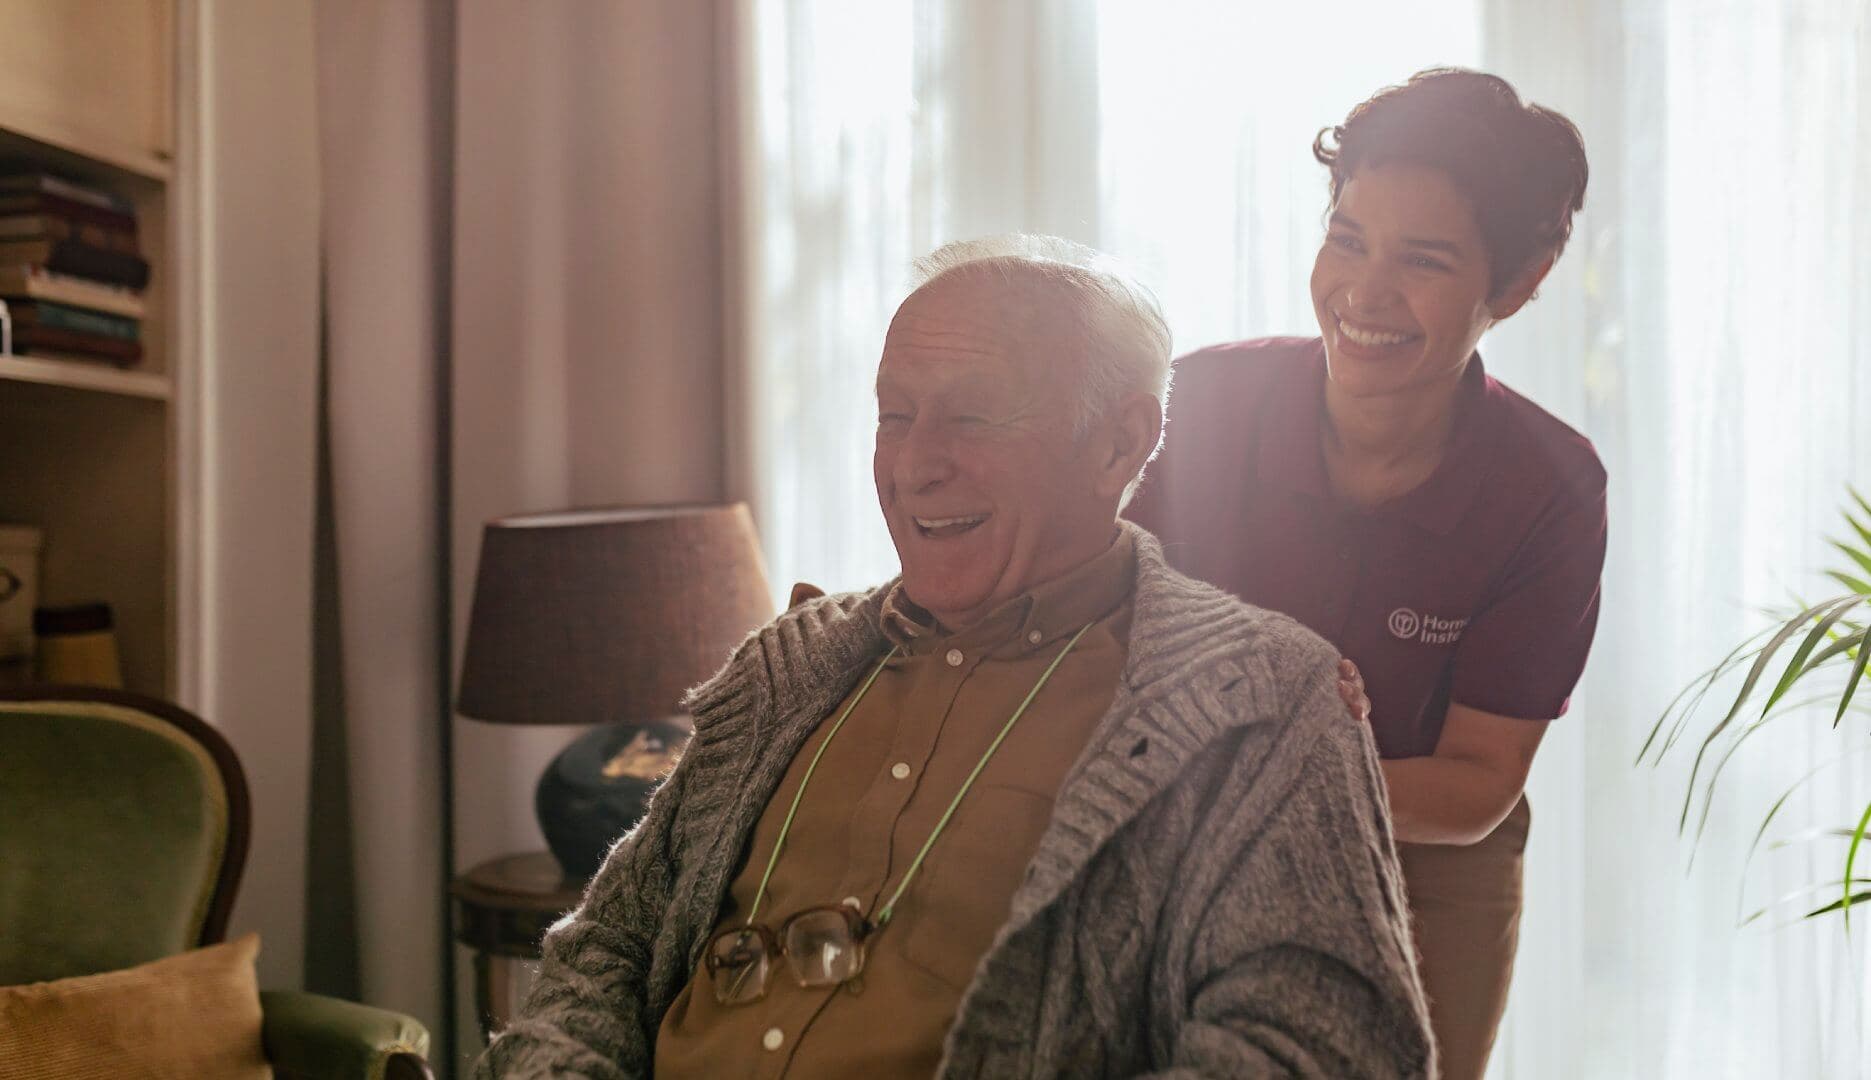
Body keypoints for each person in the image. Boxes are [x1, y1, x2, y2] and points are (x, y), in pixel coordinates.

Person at [476, 234, 1434, 1078]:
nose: (914, 463)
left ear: (1119, 444)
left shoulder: (1260, 700)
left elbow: (1325, 1051)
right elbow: (602, 952)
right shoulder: (785, 671)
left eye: (972, 418)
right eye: (895, 414)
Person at [1127, 69, 1607, 1079]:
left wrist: (1293, 758)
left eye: (1422, 262)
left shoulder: (1547, 492)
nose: (1363, 293)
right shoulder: (1204, 403)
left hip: (1421, 864)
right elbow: (1097, 636)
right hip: (1189, 827)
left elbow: (1475, 783)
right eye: (1346, 239)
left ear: (1516, 284)